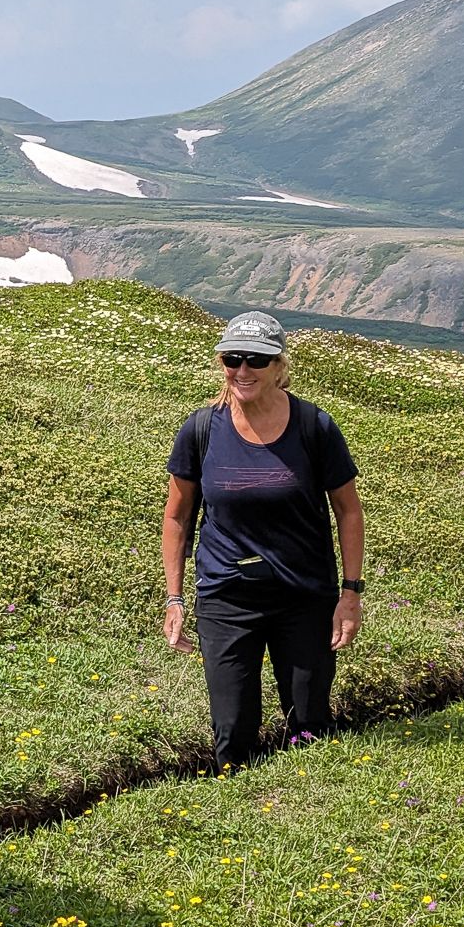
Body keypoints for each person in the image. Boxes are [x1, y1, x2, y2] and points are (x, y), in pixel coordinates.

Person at [159, 311, 365, 769]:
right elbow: (177, 517)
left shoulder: (315, 427)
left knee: (309, 721)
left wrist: (350, 594)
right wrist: (175, 599)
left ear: (280, 366)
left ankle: (306, 812)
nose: (243, 370)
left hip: (304, 596)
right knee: (232, 732)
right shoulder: (201, 429)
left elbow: (348, 510)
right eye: (233, 359)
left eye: (257, 359)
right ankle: (232, 818)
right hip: (226, 598)